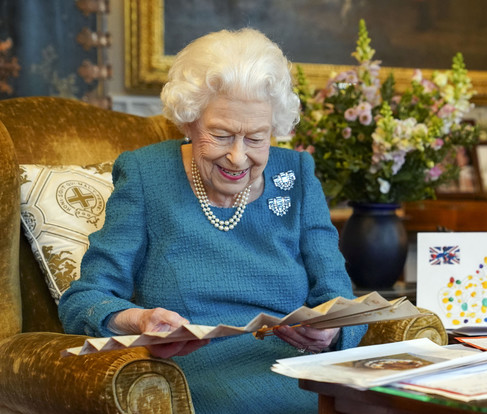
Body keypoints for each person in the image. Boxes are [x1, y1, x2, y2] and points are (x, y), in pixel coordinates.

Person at [58, 28, 367, 413]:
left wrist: (333, 331)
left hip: (300, 368)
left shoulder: (297, 175)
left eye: (256, 138)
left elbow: (339, 299)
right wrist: (139, 319)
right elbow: (83, 300)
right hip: (200, 375)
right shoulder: (145, 175)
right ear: (189, 121)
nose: (237, 157)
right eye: (221, 135)